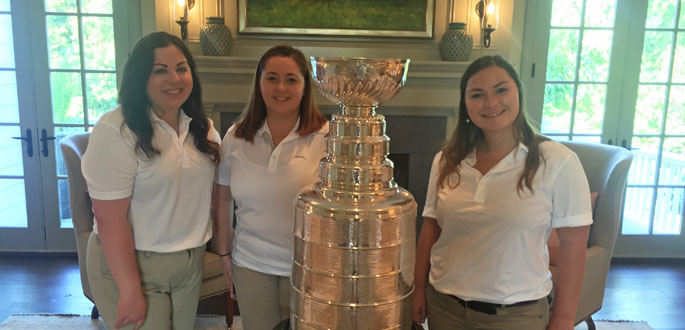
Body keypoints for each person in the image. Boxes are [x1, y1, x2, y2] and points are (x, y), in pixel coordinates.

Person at [412, 55, 592, 330]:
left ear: (518, 91)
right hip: (444, 308)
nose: (491, 103)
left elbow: (573, 245)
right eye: (477, 94)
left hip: (516, 316)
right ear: (465, 104)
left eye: (501, 89)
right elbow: (430, 227)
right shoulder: (446, 159)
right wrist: (418, 289)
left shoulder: (557, 161)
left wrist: (565, 318)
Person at [82, 32, 221, 330]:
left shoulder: (203, 129)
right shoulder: (117, 130)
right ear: (141, 77)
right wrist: (130, 290)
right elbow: (109, 220)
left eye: (182, 68)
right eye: (160, 71)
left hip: (189, 263)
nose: (175, 78)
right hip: (134, 264)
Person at [212, 45, 328, 330]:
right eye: (272, 78)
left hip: (309, 270)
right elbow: (223, 201)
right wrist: (224, 254)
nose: (281, 88)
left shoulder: (326, 137)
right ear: (259, 82)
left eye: (291, 79)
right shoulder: (236, 137)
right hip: (251, 265)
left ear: (305, 86)